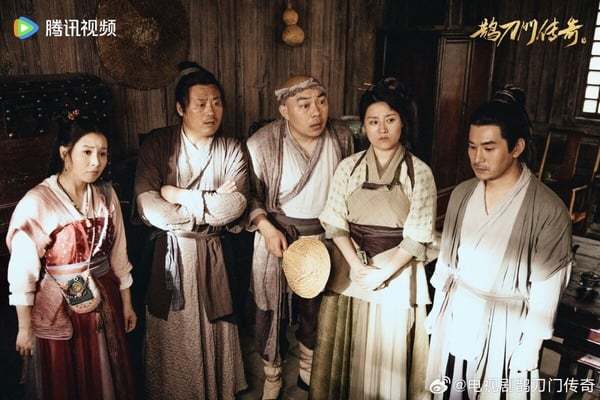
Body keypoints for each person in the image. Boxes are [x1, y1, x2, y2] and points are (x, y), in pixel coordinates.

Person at [426, 86, 572, 400]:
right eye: (472, 147)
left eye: (489, 148)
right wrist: (437, 312)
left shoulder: (548, 210)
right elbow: (447, 263)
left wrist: (530, 347)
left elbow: (546, 290)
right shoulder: (462, 194)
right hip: (459, 315)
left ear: (517, 147)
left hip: (507, 328)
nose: (477, 158)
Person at [310, 77, 436, 400]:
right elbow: (335, 222)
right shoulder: (348, 168)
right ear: (363, 126)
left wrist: (383, 273)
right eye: (373, 121)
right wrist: (355, 266)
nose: (382, 129)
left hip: (397, 271)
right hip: (352, 270)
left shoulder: (419, 172)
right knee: (347, 349)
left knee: (388, 354)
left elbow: (418, 234)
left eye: (390, 120)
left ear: (403, 123)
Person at [135, 62, 248, 400]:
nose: (211, 111)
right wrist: (207, 207)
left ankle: (217, 388)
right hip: (172, 251)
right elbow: (149, 207)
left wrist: (177, 194)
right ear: (180, 108)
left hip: (214, 252)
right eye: (200, 104)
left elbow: (234, 207)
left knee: (217, 322)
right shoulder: (158, 144)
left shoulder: (232, 148)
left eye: (216, 102)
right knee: (174, 327)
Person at [7, 111, 136, 399]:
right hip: (59, 306)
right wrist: (24, 328)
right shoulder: (38, 201)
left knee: (106, 376)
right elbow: (22, 272)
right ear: (65, 153)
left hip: (105, 299)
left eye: (102, 153)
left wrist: (127, 303)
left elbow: (119, 254)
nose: (96, 162)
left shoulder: (106, 195)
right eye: (87, 152)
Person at [246, 75, 353, 399]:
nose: (316, 112)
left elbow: (349, 191)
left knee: (315, 308)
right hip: (276, 235)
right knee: (269, 308)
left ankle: (308, 366)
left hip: (325, 235)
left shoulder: (341, 136)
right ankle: (273, 373)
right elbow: (250, 195)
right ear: (284, 110)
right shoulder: (262, 143)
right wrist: (265, 227)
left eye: (321, 101)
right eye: (304, 105)